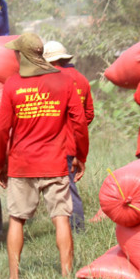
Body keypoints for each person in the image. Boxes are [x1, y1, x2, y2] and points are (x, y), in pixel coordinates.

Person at [0, 33, 89, 279]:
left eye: (16, 52)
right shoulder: (64, 82)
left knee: (16, 219)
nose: (13, 56)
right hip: (55, 163)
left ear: (23, 56)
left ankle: (14, 278)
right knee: (61, 218)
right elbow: (79, 122)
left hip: (21, 164)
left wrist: (0, 164)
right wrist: (81, 156)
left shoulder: (13, 84)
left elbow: (2, 129)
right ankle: (66, 275)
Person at [43, 41, 94, 232]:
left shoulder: (50, 79)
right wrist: (74, 130)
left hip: (54, 141)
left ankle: (75, 229)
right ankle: (73, 227)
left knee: (58, 186)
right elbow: (88, 114)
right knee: (68, 184)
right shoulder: (81, 79)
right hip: (73, 140)